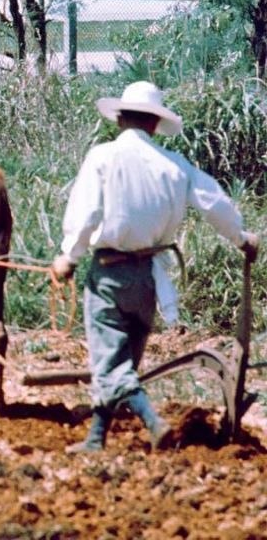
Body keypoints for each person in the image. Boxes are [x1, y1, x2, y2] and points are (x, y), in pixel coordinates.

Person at [51, 80, 259, 453]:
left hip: (110, 274)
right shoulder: (175, 167)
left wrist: (69, 256)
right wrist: (242, 238)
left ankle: (154, 422)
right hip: (148, 278)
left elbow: (86, 214)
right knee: (124, 361)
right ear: (154, 124)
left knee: (110, 361)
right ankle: (96, 438)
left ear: (120, 119)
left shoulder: (103, 157)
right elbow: (214, 204)